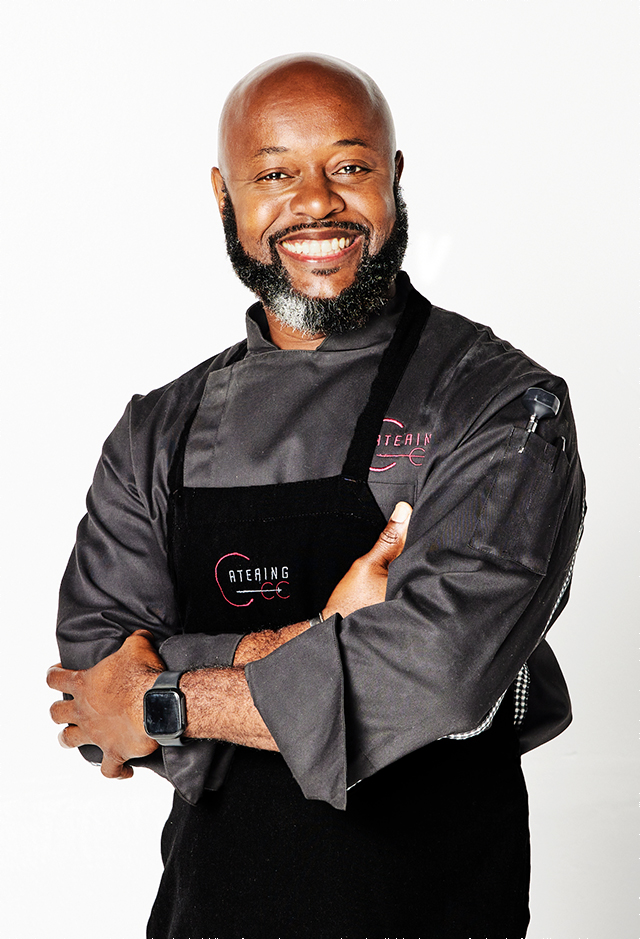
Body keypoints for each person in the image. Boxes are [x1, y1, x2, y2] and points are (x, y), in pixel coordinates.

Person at [47, 54, 585, 938]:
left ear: (395, 176)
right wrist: (320, 638)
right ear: (225, 197)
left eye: (350, 165)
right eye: (274, 174)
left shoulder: (498, 401)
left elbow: (437, 672)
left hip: (435, 910)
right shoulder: (158, 429)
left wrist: (163, 697)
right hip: (206, 912)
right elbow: (92, 675)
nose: (316, 202)